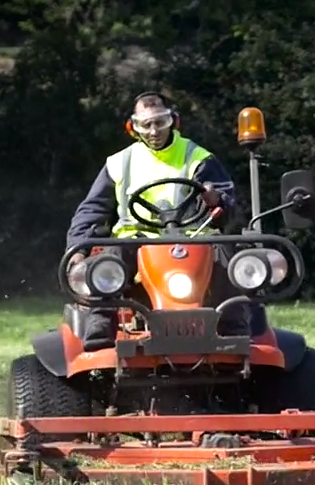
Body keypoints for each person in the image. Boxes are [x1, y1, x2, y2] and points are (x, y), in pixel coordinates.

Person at [65, 91, 249, 351]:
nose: (154, 131)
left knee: (223, 249)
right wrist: (78, 247)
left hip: (193, 239)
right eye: (146, 124)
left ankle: (233, 324)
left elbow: (228, 204)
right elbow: (91, 210)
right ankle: (101, 323)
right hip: (136, 240)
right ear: (133, 128)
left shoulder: (198, 158)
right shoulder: (119, 163)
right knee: (110, 255)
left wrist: (215, 199)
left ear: (173, 120)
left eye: (160, 122)